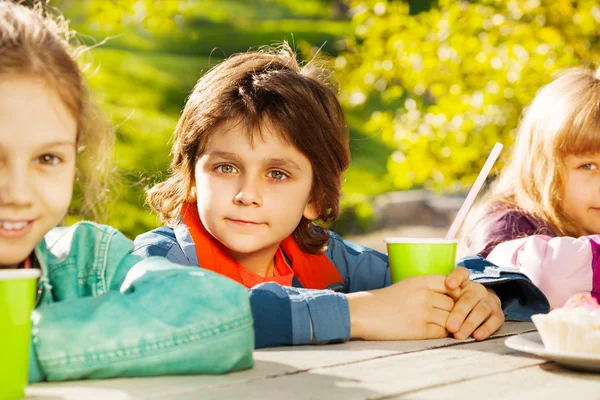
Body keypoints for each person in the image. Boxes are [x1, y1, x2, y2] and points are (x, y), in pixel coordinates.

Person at [133, 44, 508, 347]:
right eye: (225, 168)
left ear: (314, 197)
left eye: (277, 174)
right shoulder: (163, 258)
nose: (247, 194)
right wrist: (360, 312)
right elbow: (182, 316)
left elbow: (470, 273)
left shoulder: (323, 257)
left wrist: (479, 295)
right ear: (193, 177)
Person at [0, 2, 253, 382]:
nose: (18, 193)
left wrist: (17, 344)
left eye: (48, 158)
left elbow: (223, 314)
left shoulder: (86, 264)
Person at [461, 67, 600, 308]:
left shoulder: (584, 216)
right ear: (543, 167)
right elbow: (541, 279)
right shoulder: (506, 226)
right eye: (587, 166)